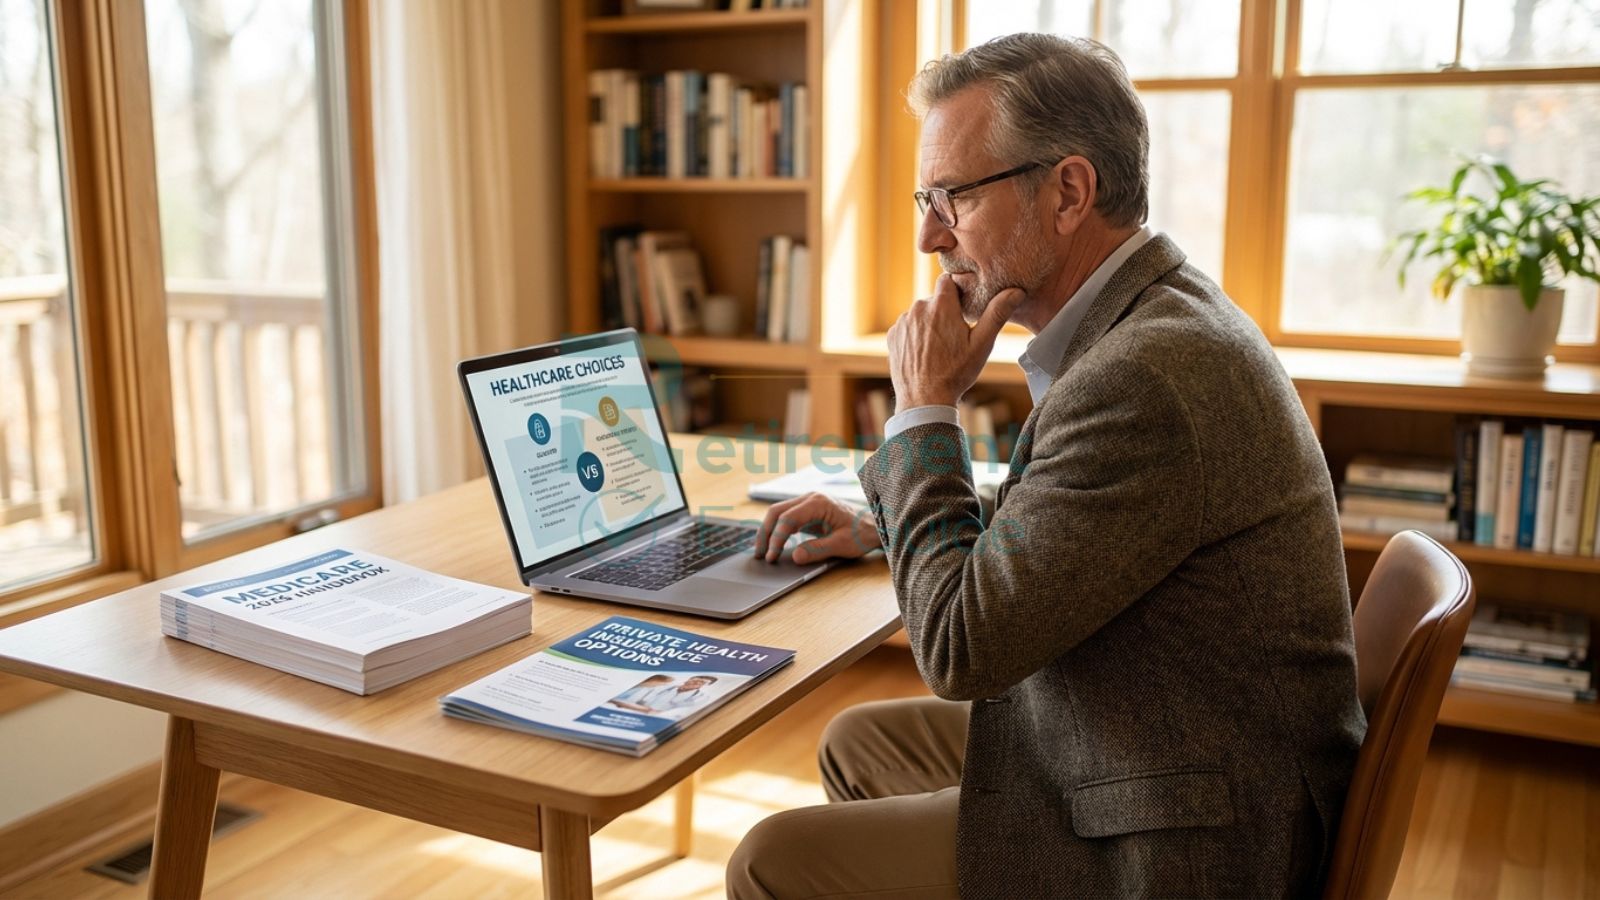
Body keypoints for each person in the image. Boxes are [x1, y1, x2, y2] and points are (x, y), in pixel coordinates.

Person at [728, 32, 1365, 900]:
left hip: (1190, 830)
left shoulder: (1143, 376)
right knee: (857, 742)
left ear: (1069, 191)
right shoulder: (1153, 314)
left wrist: (923, 408)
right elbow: (1075, 511)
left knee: (769, 862)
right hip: (1162, 737)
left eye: (953, 197)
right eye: (927, 197)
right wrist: (886, 524)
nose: (927, 235)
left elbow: (960, 653)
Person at [612, 674, 719, 715]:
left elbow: (676, 714)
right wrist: (647, 710)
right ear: (689, 679)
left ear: (706, 686)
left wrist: (649, 711)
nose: (697, 683)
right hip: (625, 711)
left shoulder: (701, 698)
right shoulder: (660, 686)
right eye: (696, 680)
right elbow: (624, 700)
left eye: (702, 683)